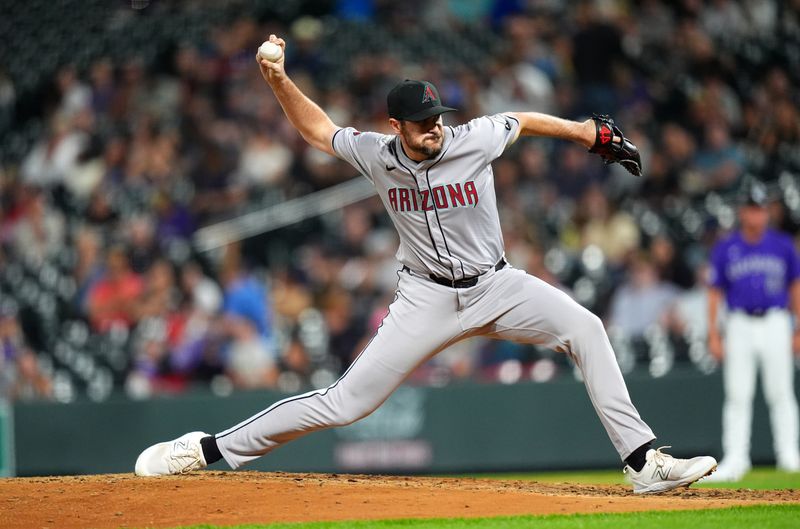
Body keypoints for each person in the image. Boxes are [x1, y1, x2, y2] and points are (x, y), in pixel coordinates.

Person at [134, 35, 716, 494]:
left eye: (438, 116)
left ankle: (643, 461)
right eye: (423, 121)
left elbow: (522, 119)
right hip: (426, 298)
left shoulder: (474, 137)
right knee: (346, 403)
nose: (435, 126)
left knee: (585, 327)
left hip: (497, 285)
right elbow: (318, 130)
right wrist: (278, 79)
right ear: (397, 127)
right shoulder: (375, 155)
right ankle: (207, 449)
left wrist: (589, 133)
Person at [705, 182, 800, 482]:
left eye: (760, 209)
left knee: (782, 392)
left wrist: (798, 327)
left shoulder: (783, 245)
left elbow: (795, 287)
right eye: (751, 209)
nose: (756, 215)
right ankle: (736, 457)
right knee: (737, 393)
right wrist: (714, 334)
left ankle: (789, 454)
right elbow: (714, 294)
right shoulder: (726, 248)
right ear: (742, 212)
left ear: (766, 212)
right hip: (739, 323)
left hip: (776, 320)